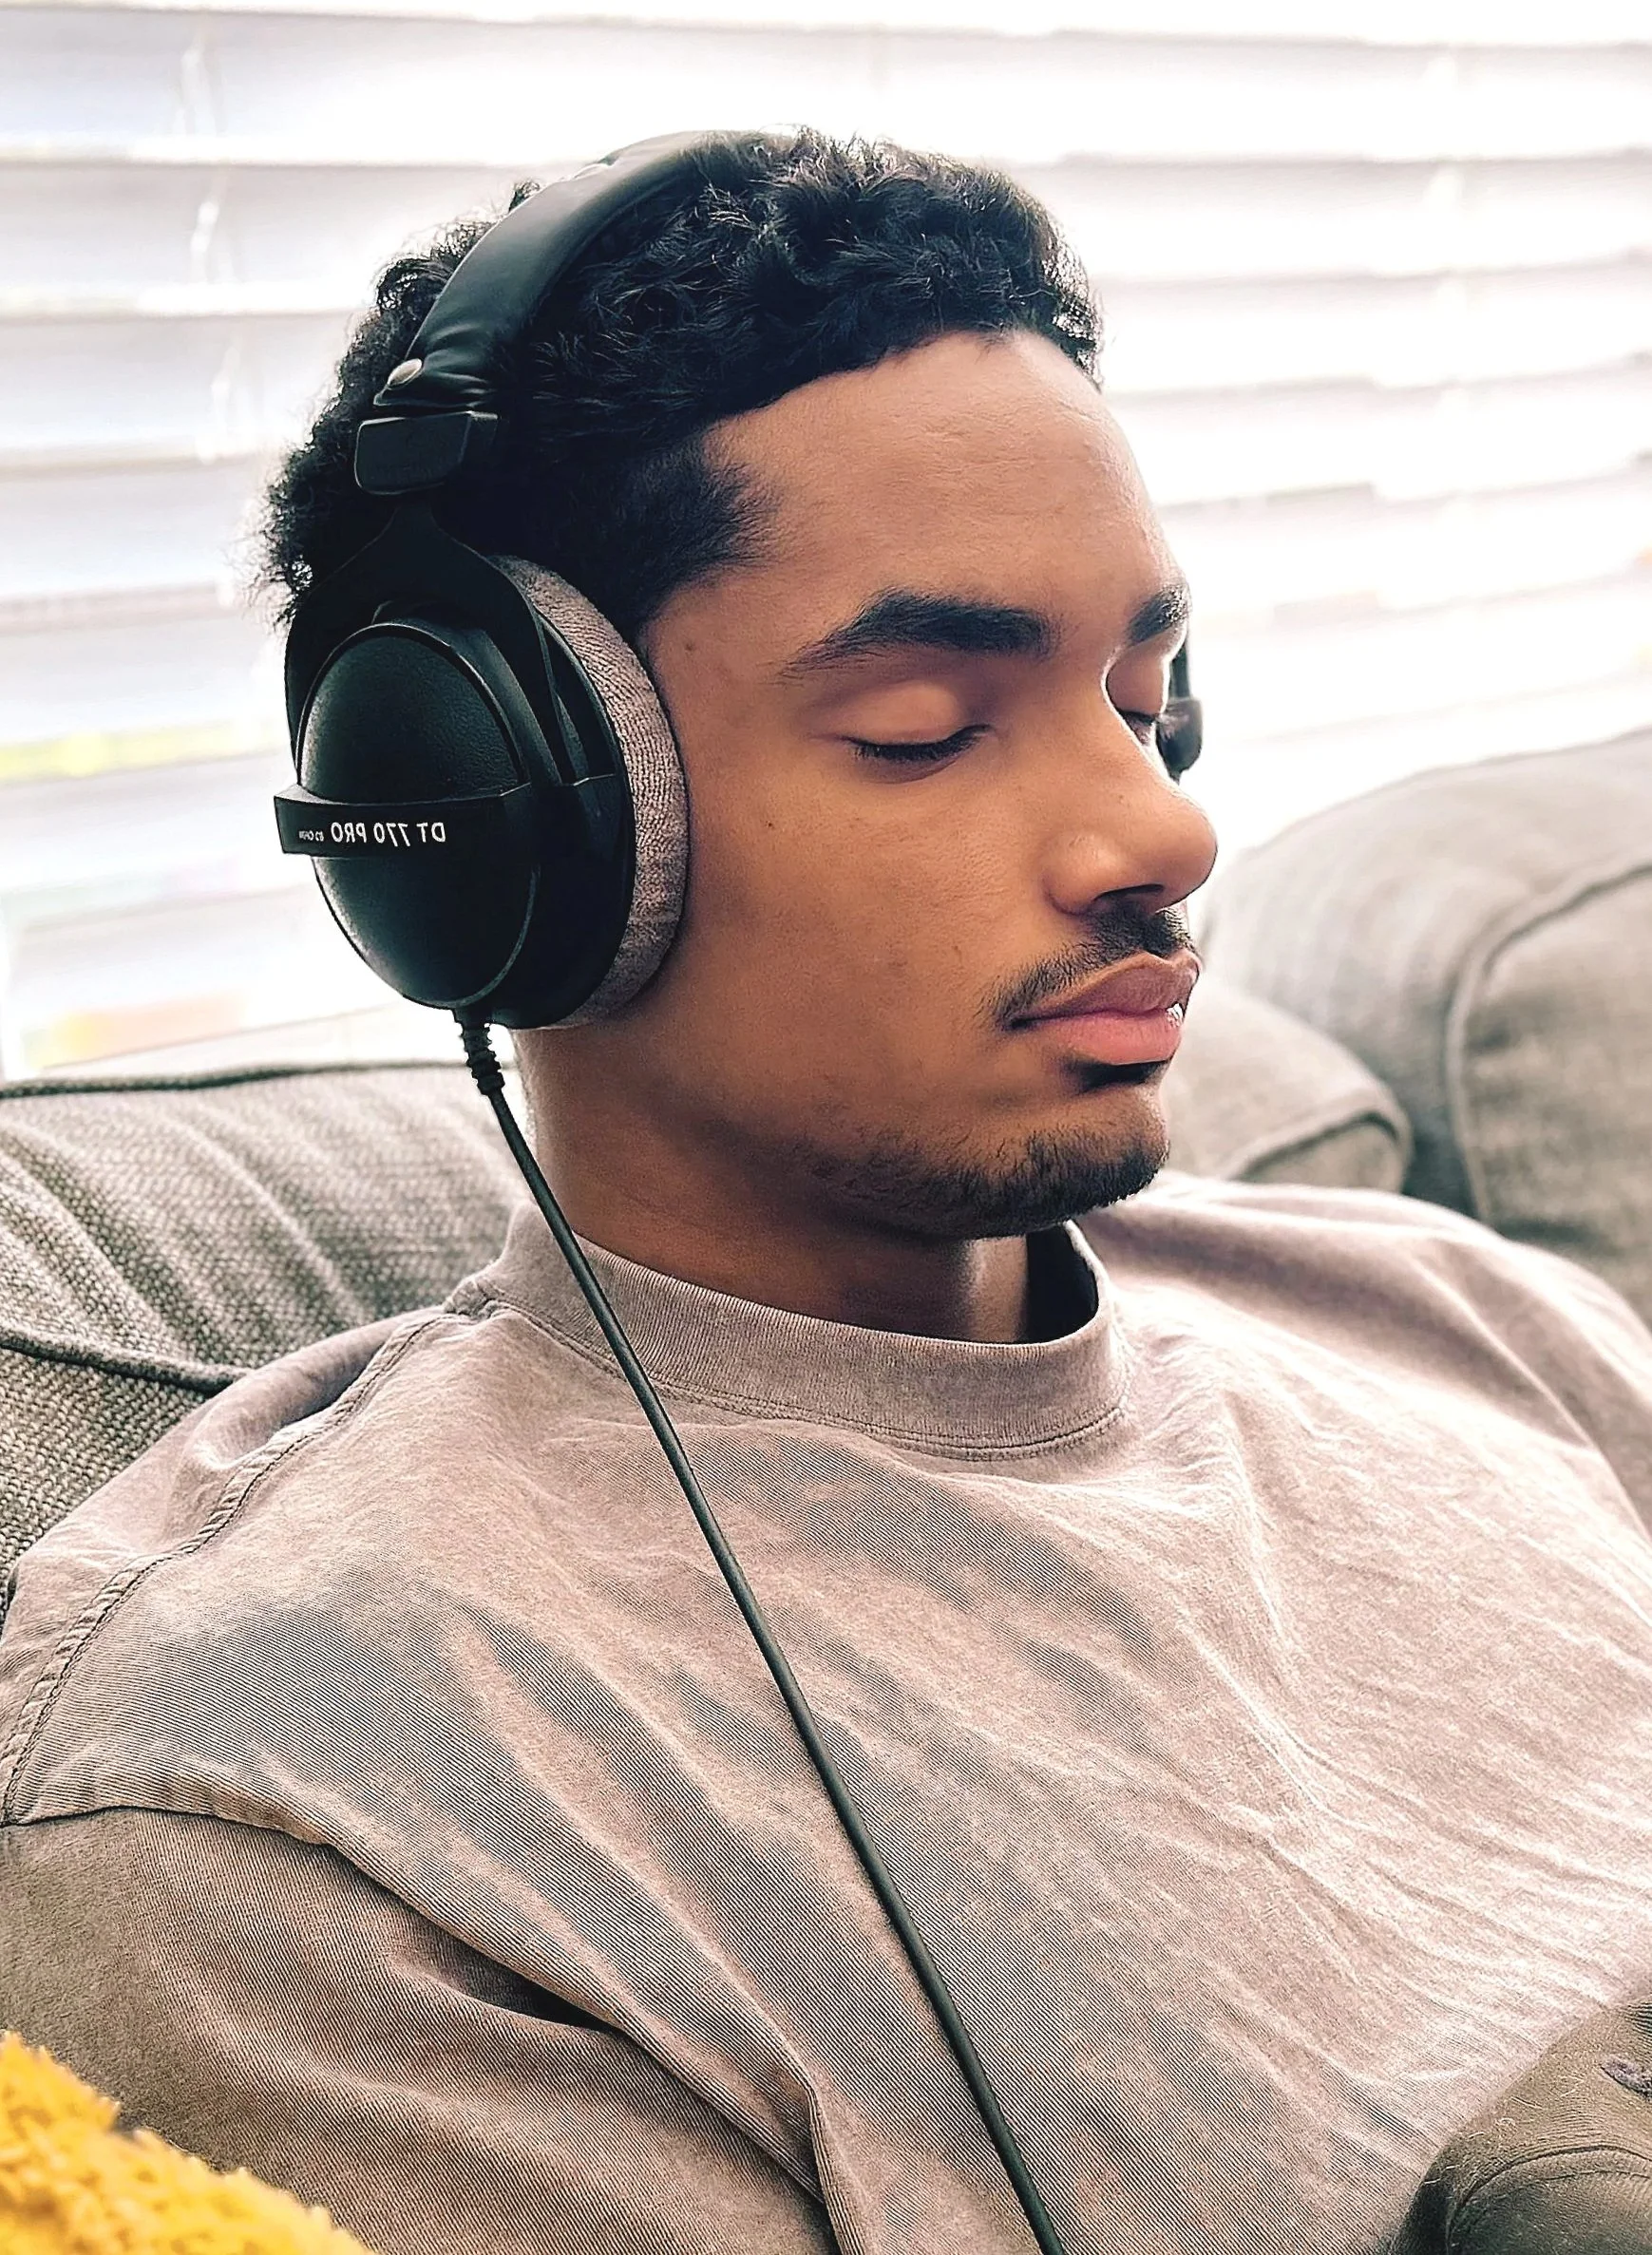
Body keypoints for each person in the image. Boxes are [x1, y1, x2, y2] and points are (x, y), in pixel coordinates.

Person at [3, 128, 1651, 2255]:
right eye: (924, 728)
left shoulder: (1471, 1317)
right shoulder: (304, 1800)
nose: (1159, 831)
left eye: (1143, 701)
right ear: (502, 823)